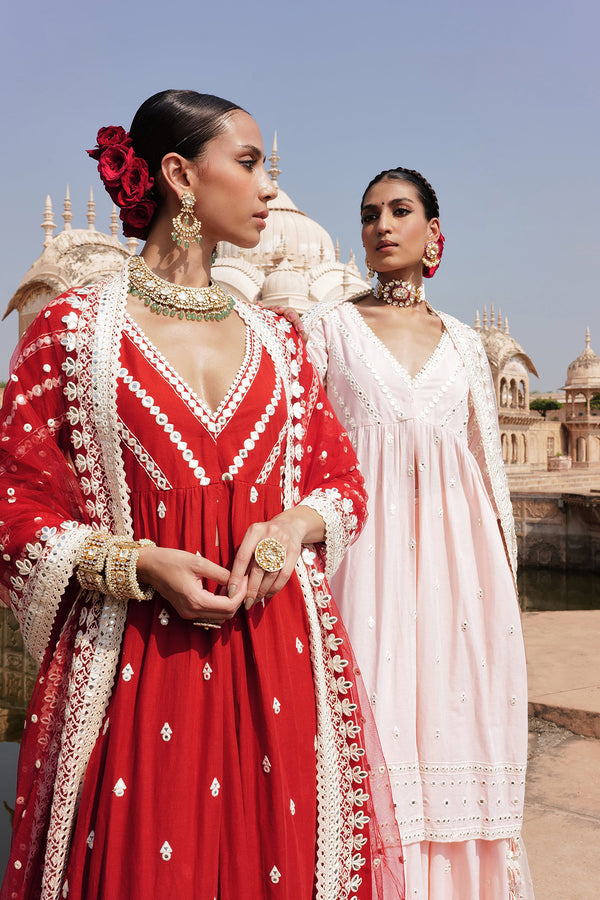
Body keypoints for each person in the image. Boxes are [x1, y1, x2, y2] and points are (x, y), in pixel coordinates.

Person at [0, 91, 404, 900]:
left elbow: (340, 482)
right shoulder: (76, 332)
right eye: (248, 164)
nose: (267, 190)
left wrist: (289, 527)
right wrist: (137, 560)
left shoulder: (280, 339)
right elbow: (16, 506)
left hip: (276, 659)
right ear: (180, 175)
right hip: (140, 662)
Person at [302, 167, 533, 899]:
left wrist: (502, 580)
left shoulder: (465, 344)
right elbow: (300, 457)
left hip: (460, 575)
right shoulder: (328, 329)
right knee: (367, 722)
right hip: (362, 564)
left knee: (453, 722)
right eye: (370, 214)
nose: (382, 225)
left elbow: (487, 466)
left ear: (434, 233)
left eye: (400, 211)